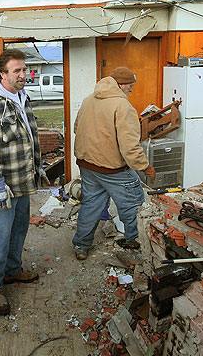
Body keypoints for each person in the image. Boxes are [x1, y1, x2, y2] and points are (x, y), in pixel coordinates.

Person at [0, 49, 48, 315]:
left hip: (22, 181)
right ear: (2, 74)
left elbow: (28, 136)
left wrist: (37, 167)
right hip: (2, 188)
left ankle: (12, 271)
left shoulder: (20, 97)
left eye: (24, 70)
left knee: (18, 231)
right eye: (17, 71)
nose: (23, 75)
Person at [72, 66, 156, 260]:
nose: (132, 89)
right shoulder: (123, 106)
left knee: (91, 204)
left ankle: (81, 246)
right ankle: (136, 241)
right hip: (111, 168)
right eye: (130, 85)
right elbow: (129, 146)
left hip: (87, 164)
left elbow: (77, 128)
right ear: (119, 85)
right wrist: (145, 167)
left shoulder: (88, 100)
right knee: (133, 203)